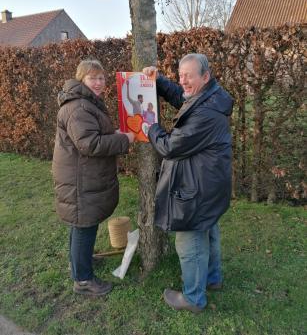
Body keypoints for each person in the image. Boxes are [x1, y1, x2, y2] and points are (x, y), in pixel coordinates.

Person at [143, 53, 233, 313]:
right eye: (180, 75)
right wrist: (158, 81)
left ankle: (193, 299)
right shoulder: (209, 97)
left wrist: (150, 128)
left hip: (198, 187)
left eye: (188, 76)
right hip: (211, 184)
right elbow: (180, 96)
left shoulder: (205, 113)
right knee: (209, 230)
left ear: (205, 77)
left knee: (190, 240)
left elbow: (171, 146)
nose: (183, 81)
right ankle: (212, 279)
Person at [52, 58, 134, 296]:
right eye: (92, 78)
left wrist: (114, 132)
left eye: (101, 78)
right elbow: (89, 143)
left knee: (82, 224)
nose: (98, 83)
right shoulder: (78, 107)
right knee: (83, 224)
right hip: (80, 179)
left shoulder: (86, 102)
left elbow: (93, 134)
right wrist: (123, 139)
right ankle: (83, 280)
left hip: (82, 174)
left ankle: (80, 263)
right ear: (81, 79)